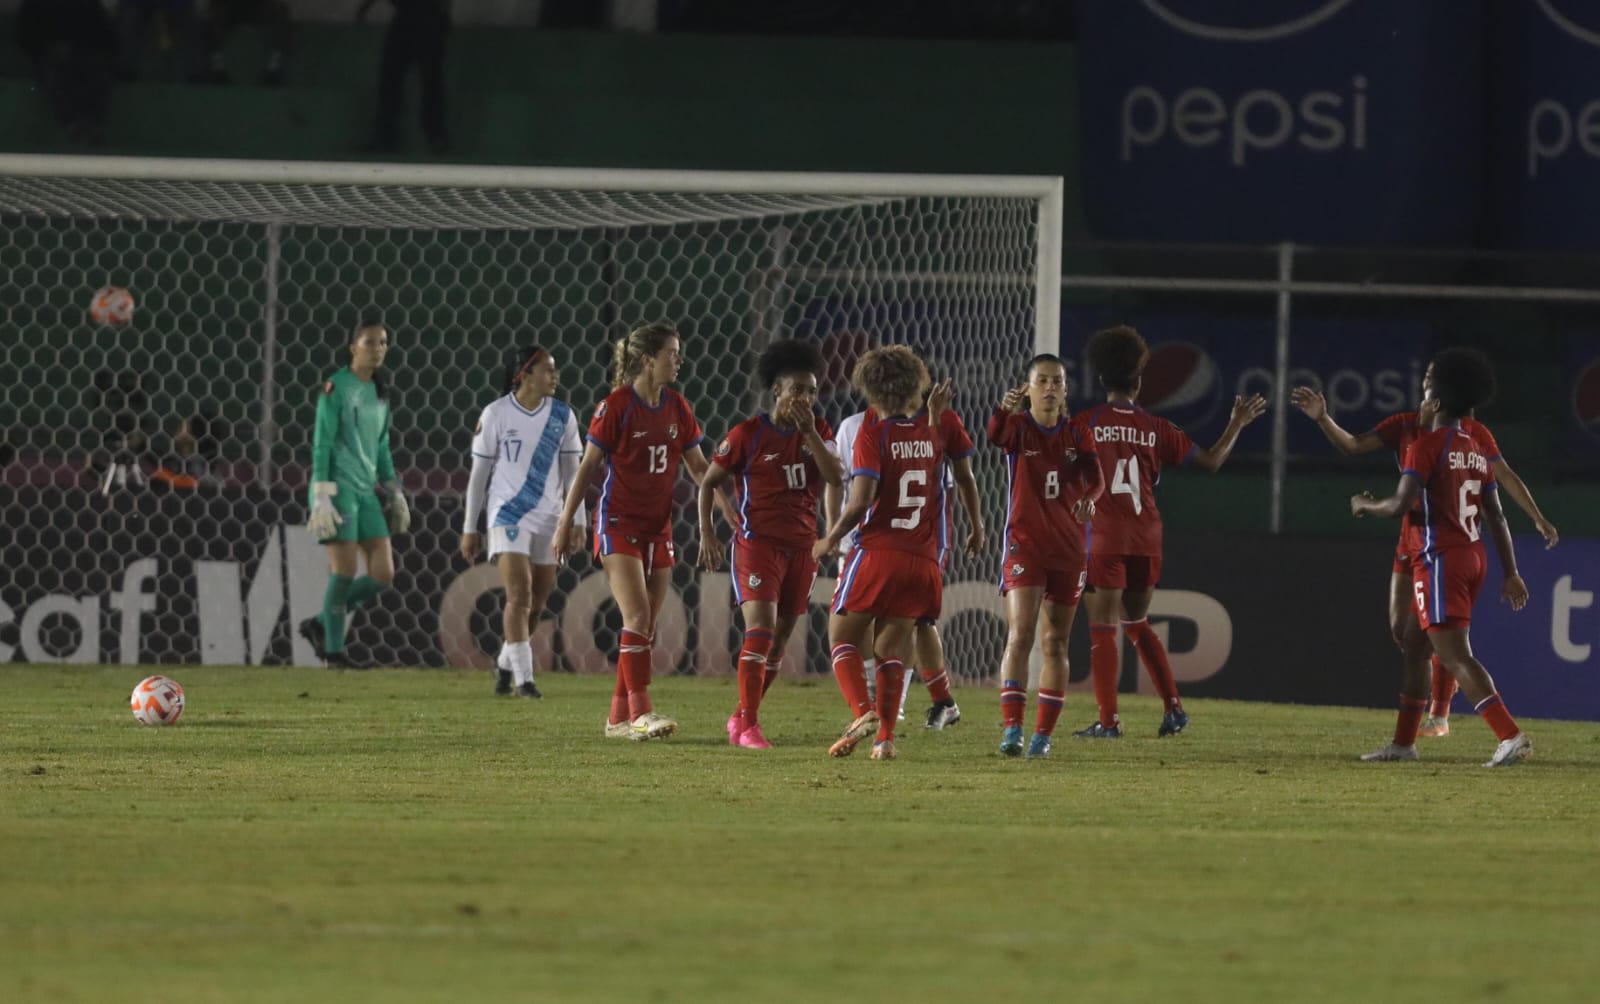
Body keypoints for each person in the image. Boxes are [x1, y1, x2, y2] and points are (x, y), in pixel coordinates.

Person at [1291, 370, 1557, 738]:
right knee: (1410, 636)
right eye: (1430, 374)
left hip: (1439, 545)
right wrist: (1323, 418)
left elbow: (1501, 481)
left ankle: (1449, 716)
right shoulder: (1407, 426)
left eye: (1434, 377)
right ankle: (1403, 743)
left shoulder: (1460, 438)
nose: (1428, 381)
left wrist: (1537, 517)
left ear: (1439, 397)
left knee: (1446, 641)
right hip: (1418, 542)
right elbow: (1352, 444)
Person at [1071, 325, 1267, 739]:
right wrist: (1236, 424)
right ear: (1139, 382)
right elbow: (1212, 461)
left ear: (1101, 380)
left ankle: (1108, 722)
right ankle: (1174, 708)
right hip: (1147, 538)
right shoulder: (1156, 427)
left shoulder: (1083, 425)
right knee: (1138, 621)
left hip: (1103, 537)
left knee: (1103, 625)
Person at [1349, 347, 1533, 767]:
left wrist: (1364, 504)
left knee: (1453, 654)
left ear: (1437, 398)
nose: (1422, 389)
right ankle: (1403, 744)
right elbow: (1496, 514)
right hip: (1473, 555)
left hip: (1440, 558)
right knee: (1416, 646)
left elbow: (1400, 505)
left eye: (1428, 383)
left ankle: (1509, 735)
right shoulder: (1475, 446)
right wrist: (1511, 572)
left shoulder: (1427, 446)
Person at [553, 322, 714, 741]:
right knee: (637, 616)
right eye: (672, 353)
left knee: (646, 626)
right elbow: (588, 467)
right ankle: (641, 713)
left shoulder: (678, 407)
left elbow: (700, 470)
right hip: (617, 523)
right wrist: (566, 519)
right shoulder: (616, 406)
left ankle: (616, 719)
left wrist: (724, 516)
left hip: (658, 527)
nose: (679, 360)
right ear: (648, 360)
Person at [814, 346, 972, 761]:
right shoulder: (936, 431)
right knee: (893, 650)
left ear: (869, 391)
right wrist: (978, 528)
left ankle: (862, 713)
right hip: (923, 561)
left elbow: (861, 499)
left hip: (878, 553)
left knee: (842, 639)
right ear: (916, 386)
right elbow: (958, 469)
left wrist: (831, 537)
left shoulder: (872, 433)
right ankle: (884, 740)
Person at [696, 339, 843, 749]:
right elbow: (708, 483)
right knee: (759, 630)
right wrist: (708, 531)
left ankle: (742, 716)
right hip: (757, 544)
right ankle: (751, 727)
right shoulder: (748, 434)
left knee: (779, 641)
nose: (806, 398)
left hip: (802, 549)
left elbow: (834, 476)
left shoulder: (821, 430)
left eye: (812, 391)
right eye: (798, 389)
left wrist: (810, 431)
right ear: (777, 390)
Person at [988, 353, 1104, 758]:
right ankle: (1012, 731)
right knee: (1020, 635)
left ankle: (1042, 737)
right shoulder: (1018, 429)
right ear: (1028, 388)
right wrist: (1002, 411)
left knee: (1056, 642)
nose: (1051, 387)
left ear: (1066, 390)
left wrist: (1089, 498)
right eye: (1043, 381)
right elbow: (996, 435)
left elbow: (1096, 478)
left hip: (1070, 551)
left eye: (1057, 381)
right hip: (1026, 547)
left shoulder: (1078, 433)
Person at [460, 346, 585, 699]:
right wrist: (471, 527)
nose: (555, 376)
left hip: (549, 517)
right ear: (524, 375)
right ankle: (525, 680)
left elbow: (573, 472)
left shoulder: (563, 416)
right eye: (547, 370)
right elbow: (479, 474)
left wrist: (577, 520)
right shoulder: (496, 414)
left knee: (538, 604)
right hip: (508, 514)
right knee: (520, 595)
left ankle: (505, 662)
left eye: (555, 370)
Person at [299, 320, 411, 668]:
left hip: (367, 493)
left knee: (384, 575)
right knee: (344, 571)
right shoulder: (337, 387)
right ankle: (334, 654)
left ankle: (320, 622)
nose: (377, 349)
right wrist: (321, 494)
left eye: (383, 343)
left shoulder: (380, 392)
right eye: (369, 342)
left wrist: (394, 490)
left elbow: (382, 449)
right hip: (337, 491)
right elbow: (323, 443)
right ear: (353, 347)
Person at [17, 0, 116, 146]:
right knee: (52, 75)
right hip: (46, 55)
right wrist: (48, 48)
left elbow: (104, 34)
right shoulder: (35, 4)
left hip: (83, 54)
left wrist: (76, 48)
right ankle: (73, 124)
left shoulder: (87, 4)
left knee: (98, 72)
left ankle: (92, 124)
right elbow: (27, 34)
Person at [358, 0, 451, 155]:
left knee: (429, 79)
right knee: (392, 78)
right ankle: (387, 137)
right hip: (411, 16)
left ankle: (435, 135)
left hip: (428, 15)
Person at [194, 0, 291, 86]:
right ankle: (217, 67)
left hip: (257, 6)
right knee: (216, 7)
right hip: (230, 6)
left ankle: (273, 67)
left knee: (282, 11)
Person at [150, 410, 224, 491]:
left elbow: (192, 485)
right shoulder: (176, 460)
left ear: (195, 435)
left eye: (186, 425)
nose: (179, 425)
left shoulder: (201, 464)